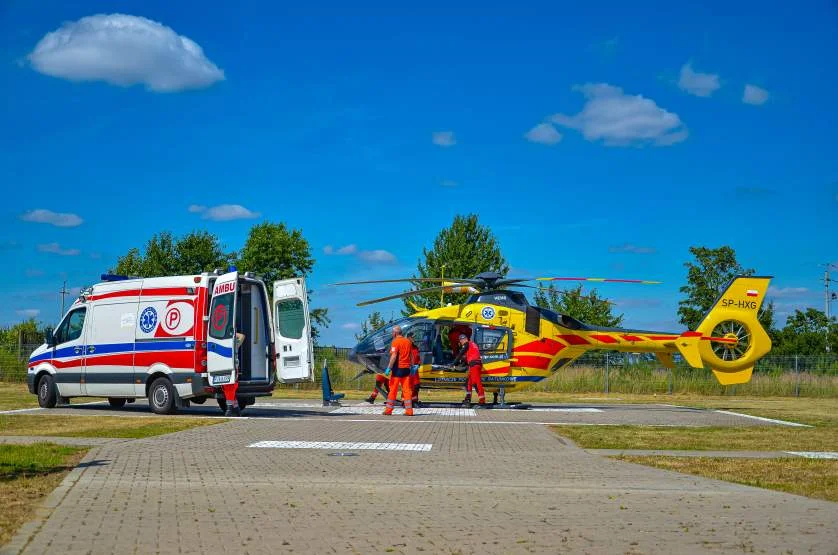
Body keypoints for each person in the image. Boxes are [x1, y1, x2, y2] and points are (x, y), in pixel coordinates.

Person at [382, 325, 414, 416]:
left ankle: (388, 410)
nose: (392, 334)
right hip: (406, 369)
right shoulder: (408, 341)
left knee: (393, 390)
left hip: (397, 369)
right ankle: (409, 411)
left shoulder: (395, 342)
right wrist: (412, 365)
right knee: (407, 390)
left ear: (395, 333)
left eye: (392, 332)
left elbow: (394, 356)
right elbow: (411, 355)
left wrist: (389, 368)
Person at [454, 333, 485, 407]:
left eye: (460, 341)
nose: (461, 343)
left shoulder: (467, 344)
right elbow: (468, 357)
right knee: (468, 382)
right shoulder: (472, 344)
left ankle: (482, 400)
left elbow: (461, 353)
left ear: (463, 339)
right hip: (474, 365)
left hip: (475, 365)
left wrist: (454, 363)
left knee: (476, 383)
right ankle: (468, 398)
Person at [222, 331, 246, 417]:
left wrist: (230, 333)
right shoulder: (232, 344)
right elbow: (242, 336)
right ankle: (235, 408)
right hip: (228, 367)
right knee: (229, 388)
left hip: (231, 367)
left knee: (230, 387)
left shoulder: (231, 344)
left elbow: (242, 336)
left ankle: (230, 409)